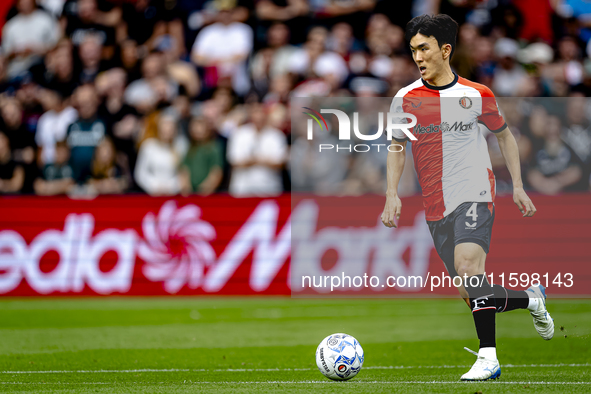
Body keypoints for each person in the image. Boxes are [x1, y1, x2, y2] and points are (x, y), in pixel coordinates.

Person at [380, 14, 554, 382]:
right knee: (471, 290)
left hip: (474, 191)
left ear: (445, 50)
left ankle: (488, 357)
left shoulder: (477, 95)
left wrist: (518, 185)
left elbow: (505, 135)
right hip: (435, 205)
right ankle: (531, 298)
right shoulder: (405, 99)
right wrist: (392, 193)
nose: (418, 57)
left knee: (470, 270)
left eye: (424, 48)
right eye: (413, 50)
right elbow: (396, 147)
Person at [180, 117, 224, 195]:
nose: (198, 130)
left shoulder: (213, 148)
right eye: (195, 127)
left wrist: (206, 188)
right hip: (191, 194)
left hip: (207, 194)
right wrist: (186, 187)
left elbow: (216, 171)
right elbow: (185, 169)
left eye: (200, 127)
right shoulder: (190, 148)